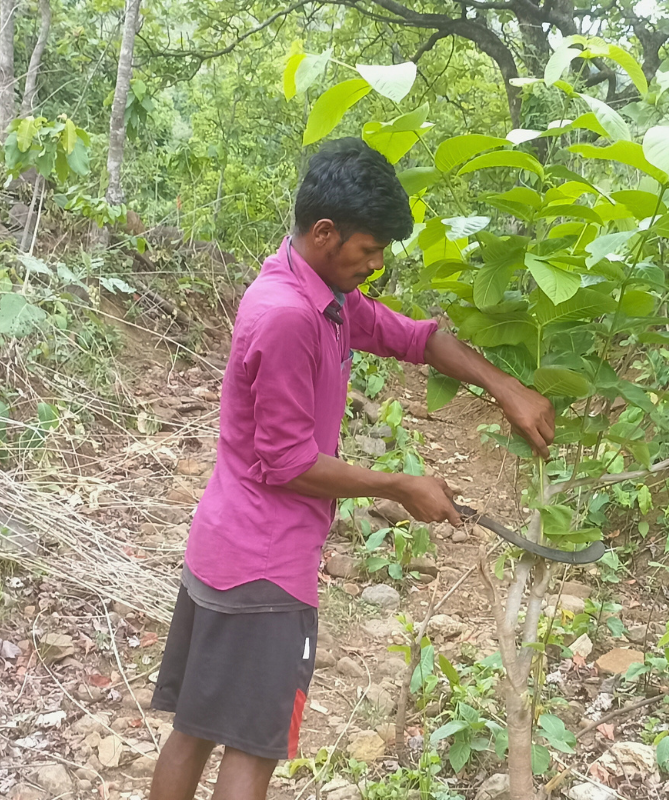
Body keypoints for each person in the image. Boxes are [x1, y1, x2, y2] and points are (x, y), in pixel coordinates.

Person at [147, 138, 556, 800]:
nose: (375, 265)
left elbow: (416, 337)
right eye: (368, 251)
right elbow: (285, 462)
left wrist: (505, 388)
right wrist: (399, 485)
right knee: (251, 749)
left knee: (195, 728)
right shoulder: (286, 316)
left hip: (223, 546)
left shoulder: (321, 292)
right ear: (325, 232)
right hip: (264, 569)